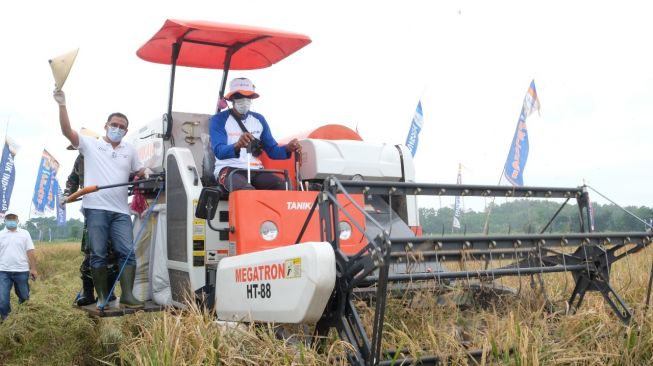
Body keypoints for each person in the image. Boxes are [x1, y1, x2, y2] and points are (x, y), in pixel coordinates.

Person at [53, 89, 149, 309]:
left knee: (127, 253)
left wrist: (146, 172)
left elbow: (139, 170)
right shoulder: (91, 145)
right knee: (97, 255)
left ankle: (127, 295)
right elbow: (67, 130)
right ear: (105, 125)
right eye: (114, 124)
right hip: (95, 208)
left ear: (126, 130)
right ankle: (102, 297)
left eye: (122, 126)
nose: (117, 129)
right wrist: (62, 105)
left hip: (120, 211)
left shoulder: (130, 150)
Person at [209, 77, 302, 191]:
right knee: (246, 191)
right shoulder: (218, 119)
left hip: (256, 170)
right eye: (239, 96)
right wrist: (237, 145)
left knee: (283, 186)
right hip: (229, 169)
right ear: (232, 98)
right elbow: (219, 151)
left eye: (248, 97)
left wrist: (288, 148)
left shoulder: (259, 120)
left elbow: (273, 151)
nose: (245, 100)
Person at [61, 152, 118, 307]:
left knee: (112, 254)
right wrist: (66, 195)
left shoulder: (108, 155)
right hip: (91, 210)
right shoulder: (80, 159)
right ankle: (88, 293)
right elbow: (72, 179)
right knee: (90, 253)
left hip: (112, 208)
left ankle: (109, 292)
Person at [0, 213, 37, 320]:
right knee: (2, 299)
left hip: (21, 271)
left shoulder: (25, 233)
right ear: (5, 220)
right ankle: (7, 320)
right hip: (3, 271)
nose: (11, 220)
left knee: (24, 297)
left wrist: (33, 268)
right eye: (8, 218)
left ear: (17, 220)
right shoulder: (0, 234)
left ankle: (22, 319)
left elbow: (30, 251)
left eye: (13, 218)